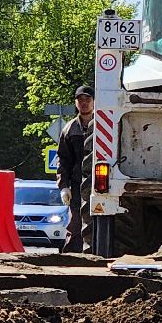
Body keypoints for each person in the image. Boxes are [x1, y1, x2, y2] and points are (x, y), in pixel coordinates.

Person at [57, 85, 96, 253]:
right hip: (78, 185)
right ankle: (72, 257)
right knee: (76, 223)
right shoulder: (70, 129)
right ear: (76, 103)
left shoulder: (105, 126)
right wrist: (63, 186)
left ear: (94, 102)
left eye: (88, 100)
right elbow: (63, 160)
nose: (84, 103)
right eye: (80, 100)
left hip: (101, 183)